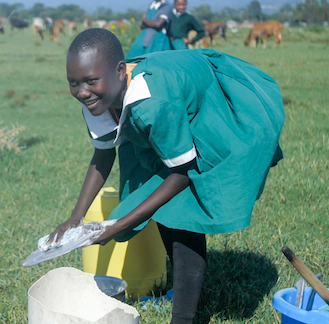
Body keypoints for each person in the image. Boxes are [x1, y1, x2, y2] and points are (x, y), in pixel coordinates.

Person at [48, 28, 284, 324]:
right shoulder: (97, 97)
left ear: (120, 72)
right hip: (165, 111)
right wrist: (75, 216)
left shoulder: (154, 104)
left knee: (184, 212)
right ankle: (184, 291)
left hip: (206, 101)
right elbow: (104, 153)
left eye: (90, 81)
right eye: (74, 83)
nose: (82, 92)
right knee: (154, 199)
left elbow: (182, 174)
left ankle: (184, 318)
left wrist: (118, 225)